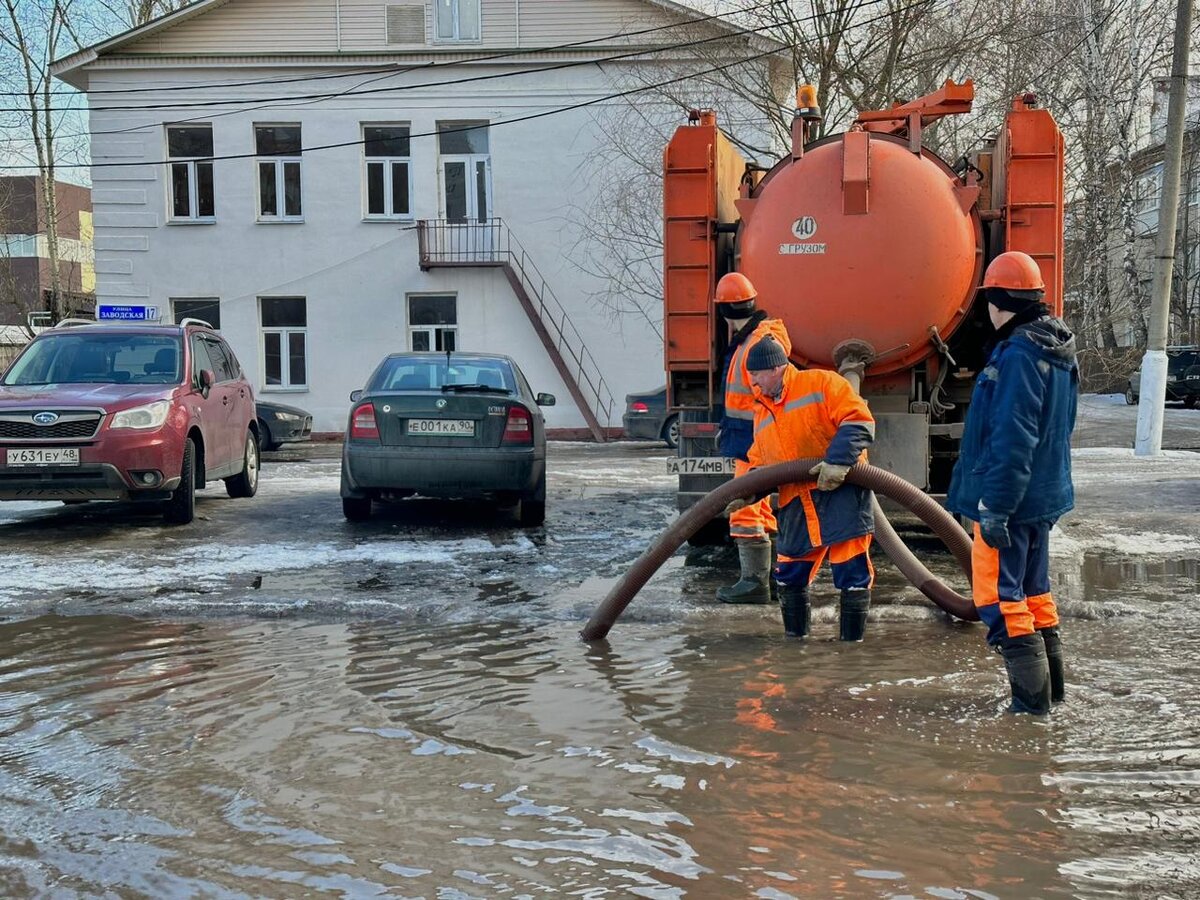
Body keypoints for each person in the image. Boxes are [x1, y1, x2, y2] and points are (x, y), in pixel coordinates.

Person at [947, 250, 1077, 715]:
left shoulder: (1021, 354)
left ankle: (1030, 711)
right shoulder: (1054, 345)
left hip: (1011, 501)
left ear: (1000, 301)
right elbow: (1061, 429)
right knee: (1034, 595)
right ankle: (1051, 699)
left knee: (1002, 601)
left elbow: (1013, 439)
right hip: (1040, 497)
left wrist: (996, 507)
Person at [731, 337, 877, 640]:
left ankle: (852, 650)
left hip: (841, 492)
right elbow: (762, 464)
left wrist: (837, 463)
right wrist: (749, 491)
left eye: (756, 375)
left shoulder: (821, 383)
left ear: (775, 368)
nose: (754, 383)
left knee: (851, 574)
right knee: (788, 576)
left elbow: (859, 420)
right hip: (797, 501)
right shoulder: (763, 411)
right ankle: (795, 645)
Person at [711, 272, 792, 605]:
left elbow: (766, 397)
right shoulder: (756, 339)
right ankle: (770, 579)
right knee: (758, 510)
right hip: (752, 437)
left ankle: (754, 583)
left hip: (754, 441)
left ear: (724, 311)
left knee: (744, 510)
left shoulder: (755, 344)